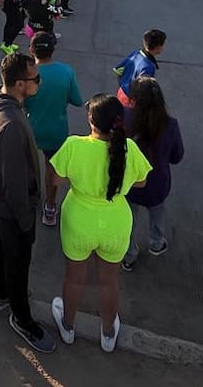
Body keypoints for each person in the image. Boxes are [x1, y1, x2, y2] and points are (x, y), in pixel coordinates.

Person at [49, 94, 151, 352]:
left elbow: (55, 180)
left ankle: (68, 326)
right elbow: (142, 182)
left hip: (79, 220)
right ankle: (107, 334)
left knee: (74, 279)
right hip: (116, 222)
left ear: (91, 121)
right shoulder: (129, 148)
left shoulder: (74, 145)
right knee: (109, 282)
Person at [0, 52, 56, 353]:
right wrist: (26, 222)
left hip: (0, 203)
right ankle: (22, 318)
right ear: (21, 85)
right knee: (18, 262)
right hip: (14, 207)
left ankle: (0, 293)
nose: (40, 82)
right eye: (36, 79)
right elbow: (14, 183)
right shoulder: (10, 124)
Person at [21, 32, 83, 226]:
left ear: (31, 50)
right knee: (52, 169)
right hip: (57, 131)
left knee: (28, 166)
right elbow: (77, 100)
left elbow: (18, 101)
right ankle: (50, 207)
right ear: (53, 50)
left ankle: (29, 199)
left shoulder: (26, 74)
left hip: (30, 130)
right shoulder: (66, 72)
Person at [121, 77, 184, 267]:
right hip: (158, 185)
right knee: (157, 212)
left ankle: (129, 254)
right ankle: (157, 243)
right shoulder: (171, 125)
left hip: (131, 184)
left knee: (128, 218)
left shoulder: (125, 119)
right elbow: (177, 156)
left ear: (134, 99)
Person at [113, 29, 166, 106]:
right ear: (158, 48)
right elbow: (143, 90)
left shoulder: (136, 53)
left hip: (121, 92)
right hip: (130, 101)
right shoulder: (148, 67)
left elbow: (118, 71)